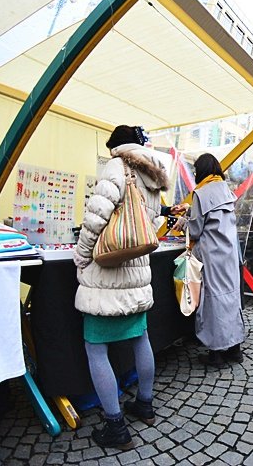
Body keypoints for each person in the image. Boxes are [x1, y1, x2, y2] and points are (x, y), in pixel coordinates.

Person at [73, 125, 182, 449]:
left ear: (117, 147)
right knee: (140, 338)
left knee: (96, 347)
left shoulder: (117, 166)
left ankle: (115, 427)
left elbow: (96, 218)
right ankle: (145, 404)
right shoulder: (153, 176)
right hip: (137, 276)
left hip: (106, 277)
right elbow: (149, 225)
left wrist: (81, 256)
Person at [188, 154, 246, 367]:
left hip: (212, 254)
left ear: (201, 171)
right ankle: (235, 349)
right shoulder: (226, 190)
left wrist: (185, 221)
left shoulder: (201, 193)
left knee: (213, 300)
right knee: (231, 297)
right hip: (229, 252)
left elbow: (195, 229)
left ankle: (216, 354)